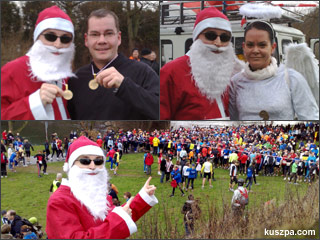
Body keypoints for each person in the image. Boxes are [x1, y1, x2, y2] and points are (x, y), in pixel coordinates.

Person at [46, 136, 158, 239]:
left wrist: (143, 196)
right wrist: (119, 220)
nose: (93, 166)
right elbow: (116, 222)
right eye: (85, 161)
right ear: (71, 165)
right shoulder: (59, 201)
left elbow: (121, 217)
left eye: (98, 161)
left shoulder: (97, 193)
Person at [67, 9, 159, 120]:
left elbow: (160, 111)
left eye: (109, 33)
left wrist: (124, 85)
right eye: (95, 34)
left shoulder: (143, 72)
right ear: (86, 40)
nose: (102, 40)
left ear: (118, 38)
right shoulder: (75, 79)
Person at [160, 7, 243, 120]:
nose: (218, 43)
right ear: (197, 37)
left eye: (224, 37)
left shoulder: (232, 70)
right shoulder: (171, 71)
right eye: (210, 35)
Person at [229, 20, 319, 120]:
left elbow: (310, 119)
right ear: (244, 47)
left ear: (272, 47)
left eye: (262, 45)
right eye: (250, 45)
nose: (255, 50)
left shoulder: (291, 78)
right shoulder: (235, 83)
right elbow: (233, 121)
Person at [1, 6, 75, 120]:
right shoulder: (11, 70)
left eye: (65, 39)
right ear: (37, 37)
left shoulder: (66, 74)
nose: (58, 44)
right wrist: (35, 102)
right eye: (50, 36)